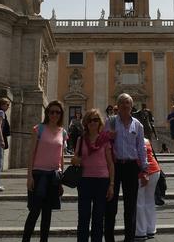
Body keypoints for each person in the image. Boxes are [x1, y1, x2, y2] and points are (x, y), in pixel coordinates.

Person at [104, 93, 148, 242]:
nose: (125, 106)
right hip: (114, 167)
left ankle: (129, 238)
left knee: (130, 206)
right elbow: (102, 143)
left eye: (127, 103)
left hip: (131, 167)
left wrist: (144, 169)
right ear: (118, 106)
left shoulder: (138, 125)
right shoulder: (110, 122)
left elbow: (141, 147)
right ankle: (109, 238)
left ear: (131, 106)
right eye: (122, 103)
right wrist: (108, 137)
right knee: (111, 205)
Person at [22, 100, 67, 242]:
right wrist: (29, 176)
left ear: (61, 115)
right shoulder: (38, 129)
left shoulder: (63, 132)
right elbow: (31, 153)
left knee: (47, 214)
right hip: (39, 174)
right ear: (47, 113)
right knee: (34, 212)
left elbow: (61, 156)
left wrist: (61, 180)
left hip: (54, 176)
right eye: (51, 112)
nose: (54, 114)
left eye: (57, 112)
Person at [72, 108, 114, 242]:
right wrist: (75, 160)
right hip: (84, 181)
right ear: (86, 123)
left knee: (98, 218)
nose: (93, 122)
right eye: (90, 120)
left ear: (100, 122)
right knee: (83, 217)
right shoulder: (81, 140)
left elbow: (110, 164)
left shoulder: (105, 140)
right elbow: (75, 159)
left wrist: (111, 184)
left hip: (102, 181)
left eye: (95, 120)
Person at [136, 138, 161, 240]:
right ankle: (151, 229)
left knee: (139, 202)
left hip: (142, 172)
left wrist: (143, 173)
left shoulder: (134, 140)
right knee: (149, 201)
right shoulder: (146, 140)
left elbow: (139, 159)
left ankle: (141, 231)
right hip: (155, 170)